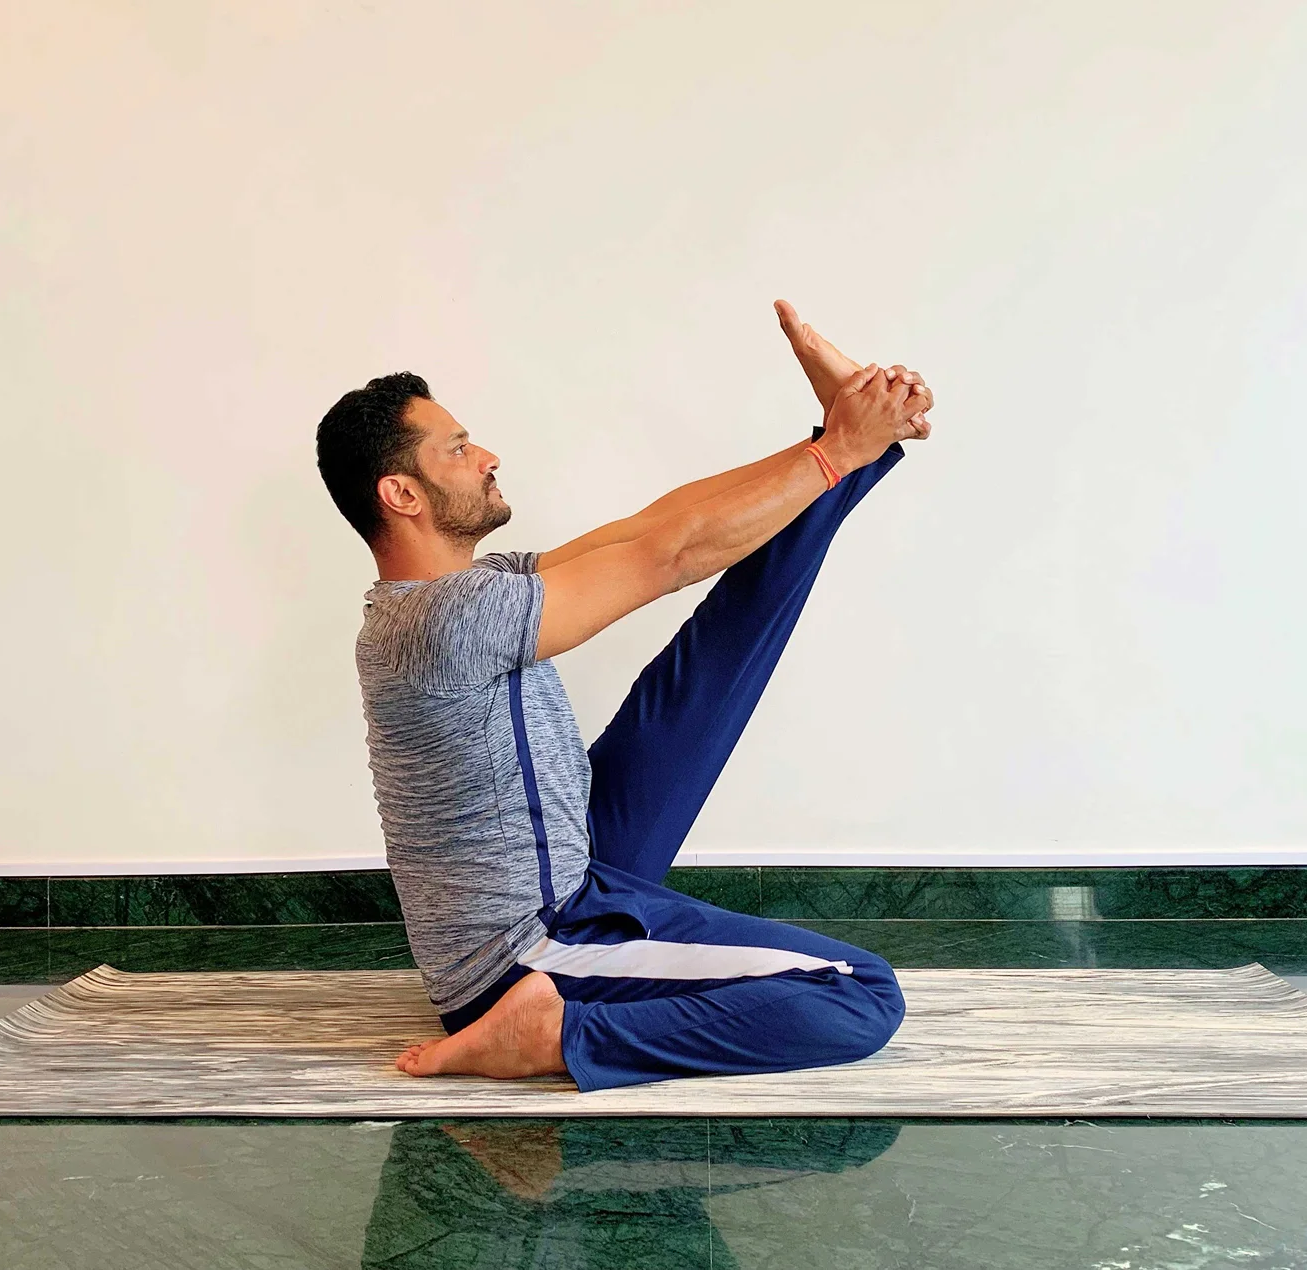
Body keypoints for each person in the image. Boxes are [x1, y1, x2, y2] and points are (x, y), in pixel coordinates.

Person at [314, 300, 934, 1092]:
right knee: (858, 993)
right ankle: (555, 1033)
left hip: (572, 864)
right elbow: (670, 555)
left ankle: (854, 455)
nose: (488, 456)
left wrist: (832, 441)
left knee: (708, 669)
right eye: (460, 448)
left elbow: (657, 522)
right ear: (402, 494)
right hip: (532, 946)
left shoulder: (474, 587)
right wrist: (840, 447)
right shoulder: (446, 618)